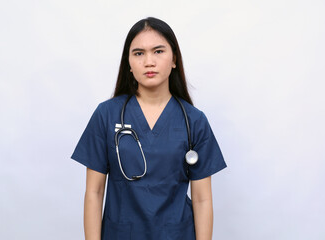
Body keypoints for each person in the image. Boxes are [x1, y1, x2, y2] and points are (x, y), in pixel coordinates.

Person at [71, 17, 227, 240]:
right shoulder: (106, 115)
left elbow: (202, 199)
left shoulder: (194, 121)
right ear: (129, 63)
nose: (149, 62)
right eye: (138, 53)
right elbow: (94, 193)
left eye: (158, 51)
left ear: (174, 59)